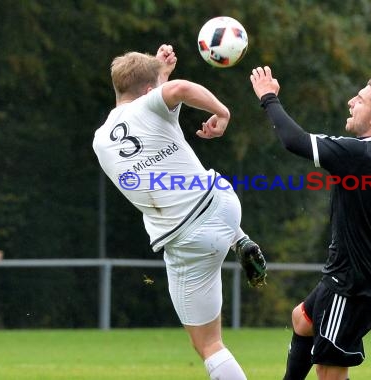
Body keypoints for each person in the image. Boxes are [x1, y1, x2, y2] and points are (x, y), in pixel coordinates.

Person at [92, 45, 266, 380]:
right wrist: (222, 112)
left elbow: (173, 92)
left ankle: (235, 240)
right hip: (222, 200)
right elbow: (176, 92)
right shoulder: (151, 105)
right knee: (201, 195)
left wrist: (161, 76)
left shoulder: (100, 139)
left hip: (190, 237)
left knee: (209, 344)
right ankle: (239, 239)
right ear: (148, 91)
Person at [250, 66, 371, 380]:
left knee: (329, 374)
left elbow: (294, 140)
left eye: (360, 100)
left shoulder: (358, 155)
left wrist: (269, 97)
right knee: (302, 320)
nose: (351, 101)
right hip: (356, 273)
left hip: (350, 284)